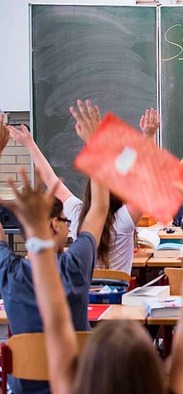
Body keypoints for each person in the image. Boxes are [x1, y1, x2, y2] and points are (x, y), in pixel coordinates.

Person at [3, 147, 183, 394]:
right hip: (122, 315)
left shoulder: (74, 218)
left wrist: (38, 239)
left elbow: (57, 324)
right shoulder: (120, 224)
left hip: (88, 326)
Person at [0, 109, 109, 394]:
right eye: (65, 220)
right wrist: (95, 144)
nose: (69, 225)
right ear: (53, 224)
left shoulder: (9, 274)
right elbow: (99, 208)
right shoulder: (74, 266)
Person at [9, 104, 160, 273]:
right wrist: (149, 136)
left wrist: (30, 144)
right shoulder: (123, 222)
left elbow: (51, 180)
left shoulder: (76, 215)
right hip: (118, 298)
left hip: (83, 297)